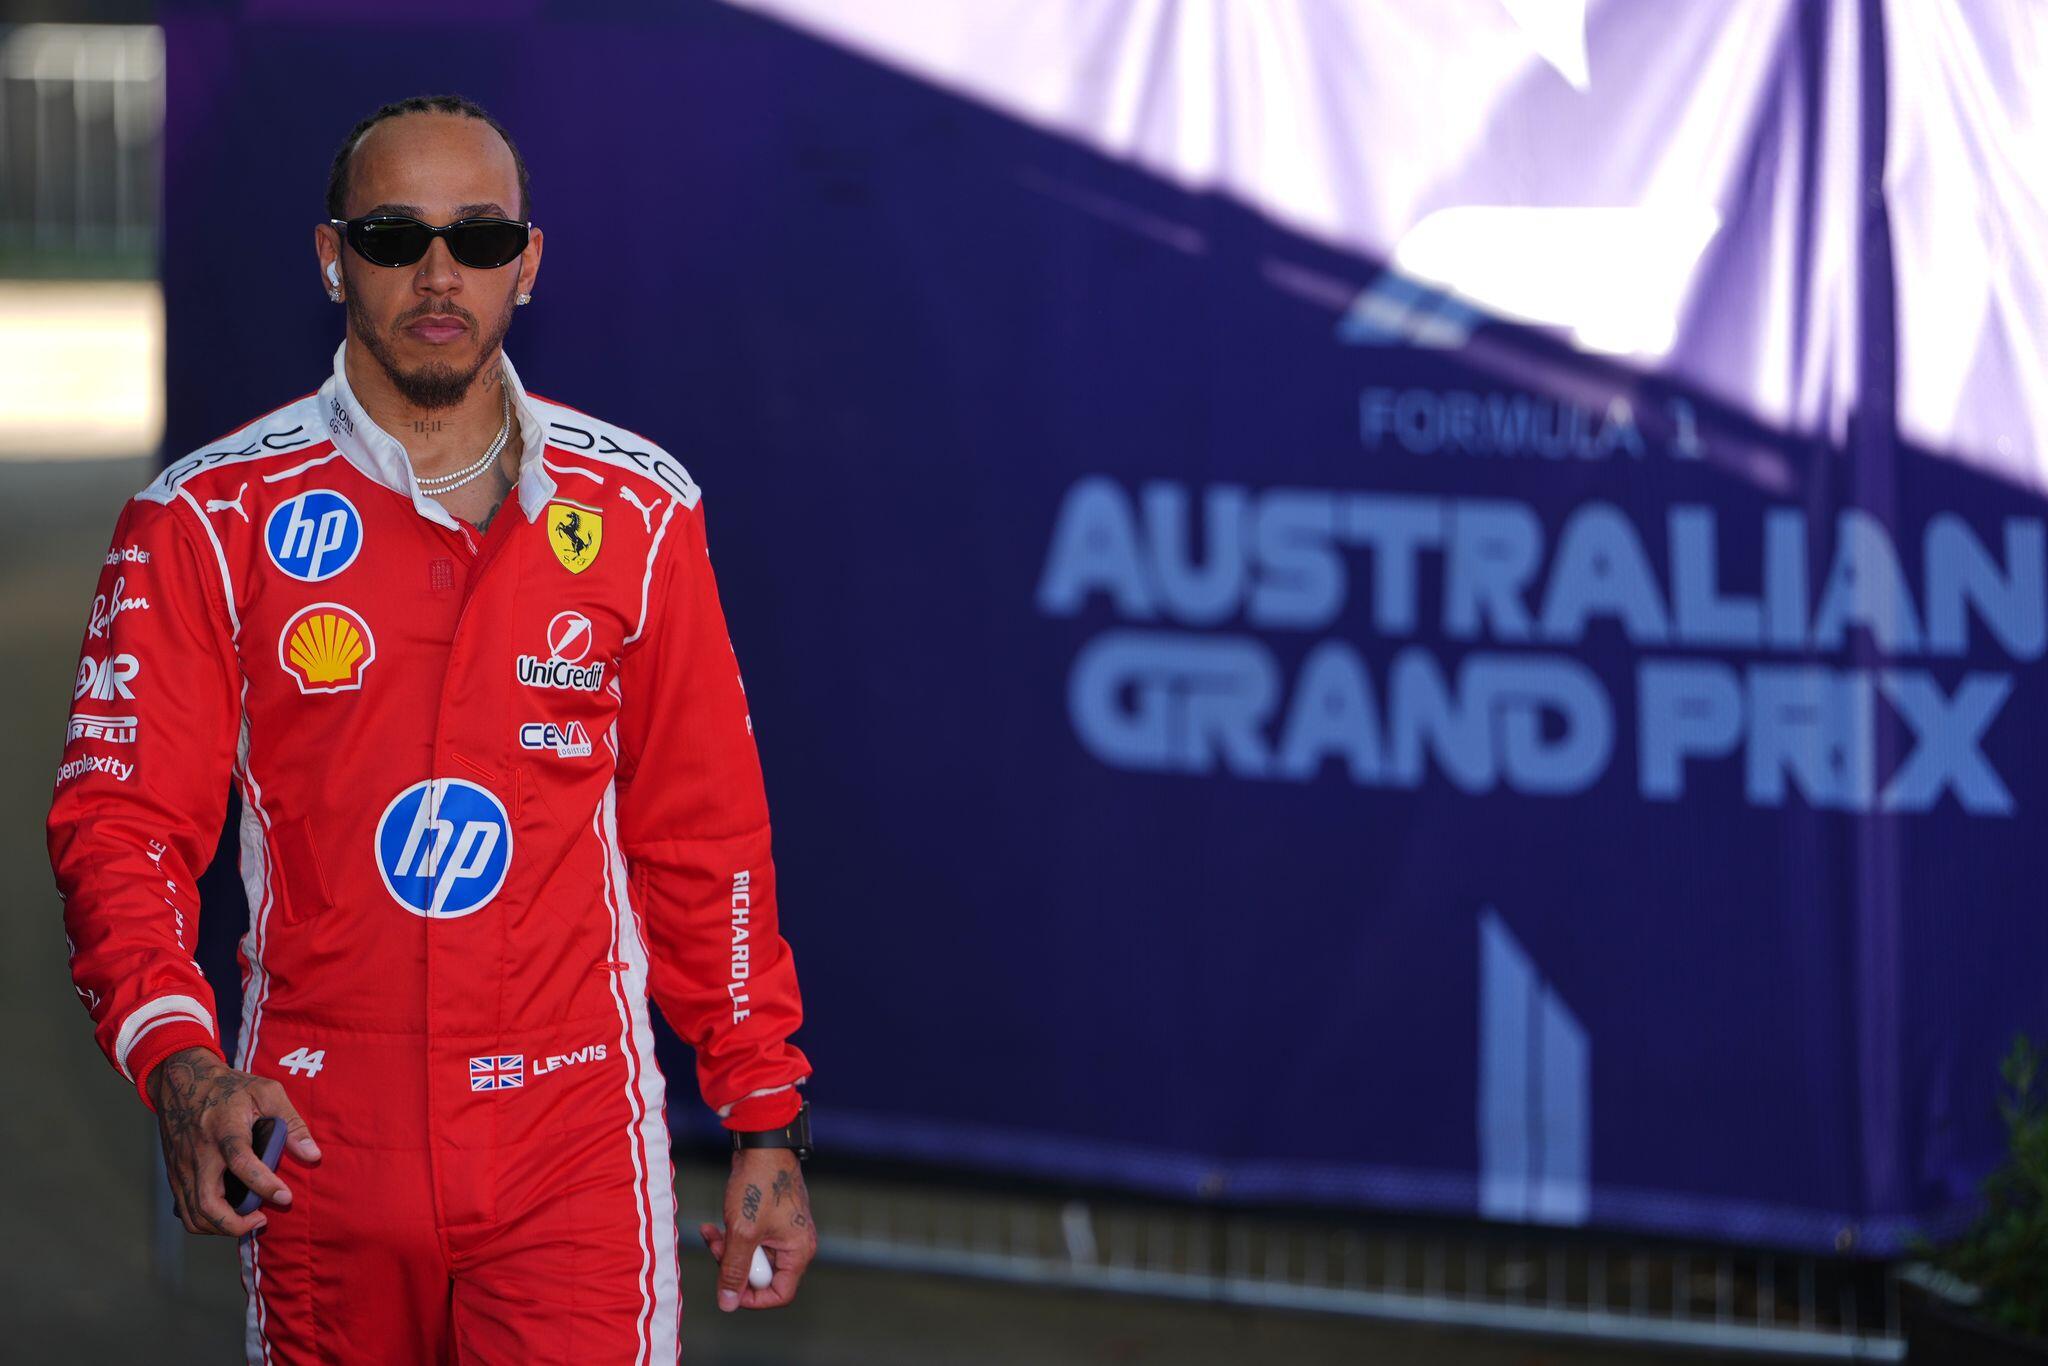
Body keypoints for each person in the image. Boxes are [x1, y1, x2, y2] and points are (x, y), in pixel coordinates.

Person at [47, 94, 816, 1363]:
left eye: (480, 236)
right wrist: (179, 1063)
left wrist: (764, 1114)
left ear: (529, 260)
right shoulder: (205, 520)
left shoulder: (641, 511)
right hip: (319, 1145)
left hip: (573, 1147)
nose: (440, 273)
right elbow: (118, 829)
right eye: (395, 236)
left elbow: (706, 841)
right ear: (331, 256)